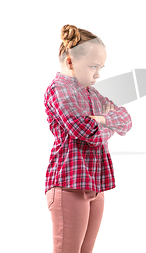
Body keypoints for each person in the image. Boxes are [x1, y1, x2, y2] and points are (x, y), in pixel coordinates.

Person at [44, 24, 132, 253]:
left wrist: (101, 119)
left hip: (95, 183)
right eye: (93, 66)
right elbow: (86, 132)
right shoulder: (59, 90)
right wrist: (108, 121)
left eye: (101, 67)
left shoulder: (91, 93)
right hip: (69, 185)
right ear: (71, 62)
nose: (98, 74)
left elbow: (126, 119)